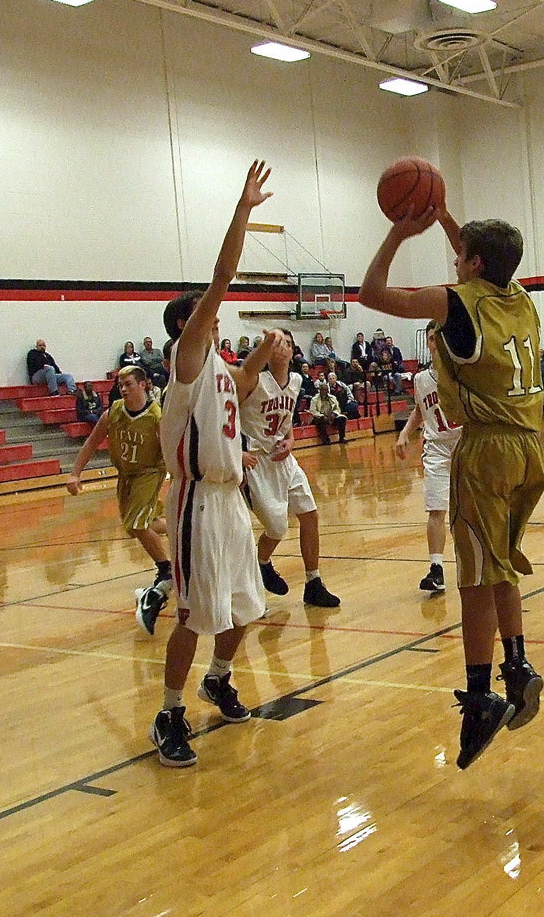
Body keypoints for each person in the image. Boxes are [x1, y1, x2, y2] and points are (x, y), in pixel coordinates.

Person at [359, 206, 544, 770]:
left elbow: (371, 293)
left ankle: (480, 695)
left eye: (459, 254)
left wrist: (399, 231)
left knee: (473, 576)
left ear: (473, 264)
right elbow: (484, 264)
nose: (453, 259)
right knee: (501, 562)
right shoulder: (521, 298)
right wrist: (443, 216)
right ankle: (516, 664)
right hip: (528, 448)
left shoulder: (455, 300)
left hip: (485, 448)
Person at [150, 160, 282, 768]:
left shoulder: (223, 373)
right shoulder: (187, 359)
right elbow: (223, 275)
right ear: (189, 324)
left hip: (231, 499)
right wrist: (244, 209)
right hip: (196, 501)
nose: (217, 314)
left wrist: (266, 347)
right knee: (192, 614)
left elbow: (250, 377)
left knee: (244, 607)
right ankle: (169, 712)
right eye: (206, 311)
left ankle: (219, 678)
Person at [67, 365, 174, 634]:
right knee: (139, 525)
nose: (123, 388)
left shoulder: (156, 416)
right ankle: (179, 527)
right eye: (120, 384)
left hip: (150, 472)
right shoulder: (113, 412)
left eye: (128, 383)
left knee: (137, 524)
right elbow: (91, 442)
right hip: (125, 474)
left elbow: (170, 451)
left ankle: (166, 569)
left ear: (143, 385)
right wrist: (75, 474)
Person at [243, 327, 341, 609]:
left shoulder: (297, 380)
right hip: (257, 461)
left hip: (284, 459)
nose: (281, 348)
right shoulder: (253, 380)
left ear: (293, 350)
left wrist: (291, 440)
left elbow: (286, 423)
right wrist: (236, 452)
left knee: (309, 515)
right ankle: (260, 564)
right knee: (275, 527)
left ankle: (313, 582)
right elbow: (229, 415)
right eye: (275, 343)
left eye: (286, 343)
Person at [395, 323, 463, 594]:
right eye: (431, 338)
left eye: (439, 338)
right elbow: (421, 410)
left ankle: (476, 560)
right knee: (436, 508)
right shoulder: (421, 379)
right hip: (436, 447)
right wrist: (405, 433)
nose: (434, 343)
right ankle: (436, 568)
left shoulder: (461, 373)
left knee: (468, 509)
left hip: (464, 442)